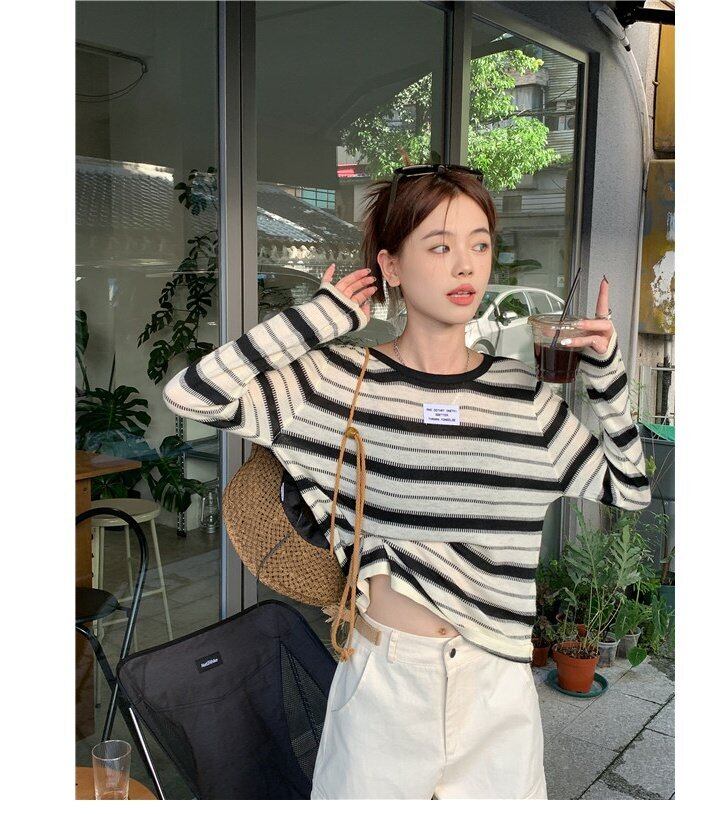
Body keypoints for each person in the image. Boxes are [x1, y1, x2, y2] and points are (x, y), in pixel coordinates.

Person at [162, 165, 652, 799]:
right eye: (440, 246)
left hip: (496, 692)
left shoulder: (522, 399)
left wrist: (606, 376)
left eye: (480, 244)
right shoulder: (338, 382)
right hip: (383, 690)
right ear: (390, 267)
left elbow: (629, 488)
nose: (467, 265)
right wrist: (320, 319)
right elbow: (192, 394)